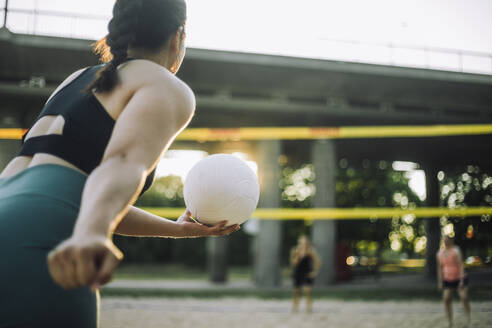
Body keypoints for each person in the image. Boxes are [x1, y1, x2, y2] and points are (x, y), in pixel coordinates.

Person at [0, 0, 240, 326]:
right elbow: (121, 162)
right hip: (45, 239)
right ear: (178, 36)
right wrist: (91, 233)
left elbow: (78, 193)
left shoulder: (78, 78)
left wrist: (180, 230)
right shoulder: (164, 85)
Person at [437, 236, 471, 328]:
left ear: (451, 241)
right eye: (444, 240)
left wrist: (461, 280)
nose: (446, 242)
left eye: (447, 240)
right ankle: (450, 322)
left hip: (459, 278)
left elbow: (461, 265)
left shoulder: (456, 250)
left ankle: (468, 319)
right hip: (448, 279)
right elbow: (440, 268)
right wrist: (440, 282)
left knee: (464, 297)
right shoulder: (440, 253)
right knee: (446, 299)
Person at [290, 235, 321, 313]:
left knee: (307, 291)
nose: (303, 244)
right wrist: (297, 255)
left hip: (307, 272)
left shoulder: (310, 251)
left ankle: (308, 308)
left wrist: (314, 272)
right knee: (296, 291)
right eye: (301, 242)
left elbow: (317, 261)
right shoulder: (295, 250)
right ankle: (295, 308)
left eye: (304, 243)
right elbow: (293, 263)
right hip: (298, 272)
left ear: (307, 243)